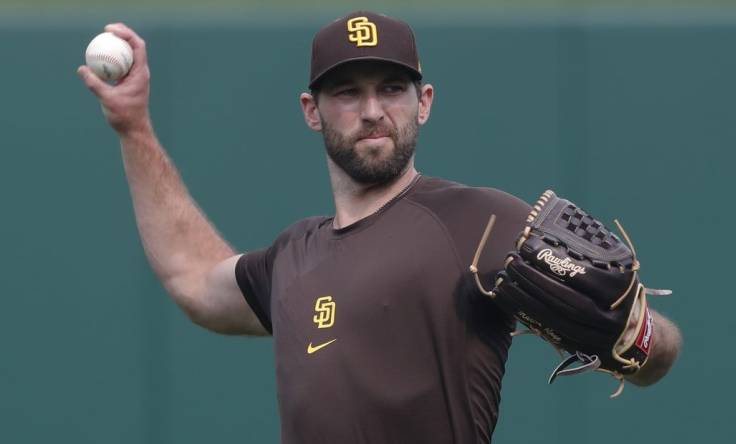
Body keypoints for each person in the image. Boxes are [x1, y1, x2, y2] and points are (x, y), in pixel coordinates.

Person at [78, 11, 682, 444]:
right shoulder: (294, 254)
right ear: (311, 112)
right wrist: (133, 127)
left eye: (391, 88)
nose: (372, 111)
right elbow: (193, 279)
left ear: (424, 102)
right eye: (347, 92)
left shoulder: (479, 221)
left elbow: (655, 349)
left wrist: (640, 337)